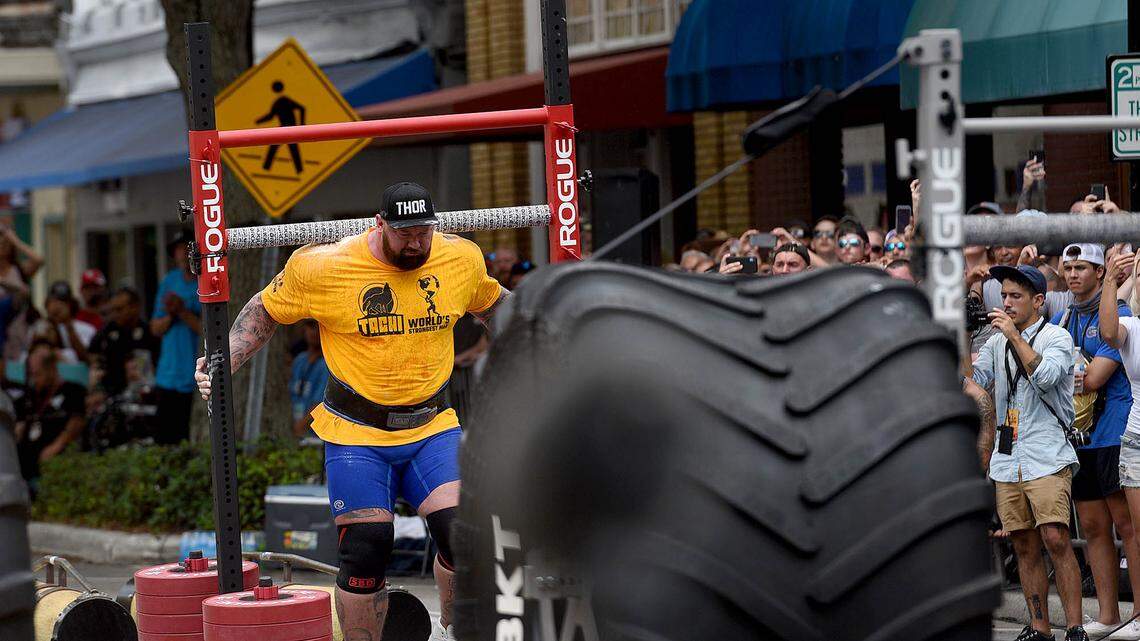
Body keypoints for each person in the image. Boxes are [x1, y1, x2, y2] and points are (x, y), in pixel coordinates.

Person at [194, 181, 509, 641]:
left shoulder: (458, 258)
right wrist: (221, 361)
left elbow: (494, 304)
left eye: (424, 232)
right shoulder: (324, 266)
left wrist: (544, 333)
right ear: (379, 225)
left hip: (432, 425)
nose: (416, 243)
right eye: (404, 233)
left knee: (464, 534)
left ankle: (453, 629)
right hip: (357, 432)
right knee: (366, 548)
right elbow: (265, 311)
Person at [971, 264, 1085, 641]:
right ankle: (1040, 628)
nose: (1006, 303)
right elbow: (971, 384)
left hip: (1047, 452)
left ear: (1038, 300)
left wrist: (1013, 335)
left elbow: (1046, 376)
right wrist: (962, 335)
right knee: (1022, 543)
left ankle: (1074, 627)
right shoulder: (993, 342)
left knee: (1055, 537)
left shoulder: (1056, 337)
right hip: (1008, 458)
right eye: (1003, 296)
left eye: (1015, 296)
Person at [1052, 244, 1140, 639]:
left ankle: (1138, 612)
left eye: (1081, 267)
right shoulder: (1061, 316)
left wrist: (1063, 373)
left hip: (1113, 429)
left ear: (1101, 273)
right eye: (1067, 267)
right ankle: (1107, 615)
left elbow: (1092, 378)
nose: (1072, 274)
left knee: (1127, 524)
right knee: (1091, 525)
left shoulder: (1117, 314)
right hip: (1077, 437)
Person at [12, 341, 85, 496]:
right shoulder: (28, 397)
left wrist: (57, 446)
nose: (34, 380)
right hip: (24, 467)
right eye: (31, 375)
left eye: (37, 374)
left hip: (53, 463)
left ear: (52, 369)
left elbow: (76, 422)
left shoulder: (73, 391)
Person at [150, 233, 202, 444]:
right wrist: (171, 314)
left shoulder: (205, 281)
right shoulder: (170, 281)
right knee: (164, 440)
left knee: (188, 437)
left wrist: (182, 311)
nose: (183, 253)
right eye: (178, 249)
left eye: (186, 247)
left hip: (194, 376)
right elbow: (155, 327)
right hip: (167, 375)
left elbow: (207, 330)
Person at [88, 287, 160, 398]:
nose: (115, 314)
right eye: (113, 310)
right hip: (111, 395)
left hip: (142, 393)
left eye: (120, 309)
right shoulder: (108, 330)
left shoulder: (149, 332)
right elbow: (92, 354)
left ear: (135, 307)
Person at [290, 319, 329, 439]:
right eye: (311, 326)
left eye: (319, 327)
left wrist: (300, 426)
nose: (315, 331)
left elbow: (320, 403)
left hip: (315, 436)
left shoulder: (327, 364)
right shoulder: (299, 360)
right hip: (294, 424)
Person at [40, 281, 95, 364]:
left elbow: (85, 357)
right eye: (53, 301)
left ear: (70, 304)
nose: (57, 306)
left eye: (63, 302)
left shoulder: (87, 328)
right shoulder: (41, 327)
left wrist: (68, 324)